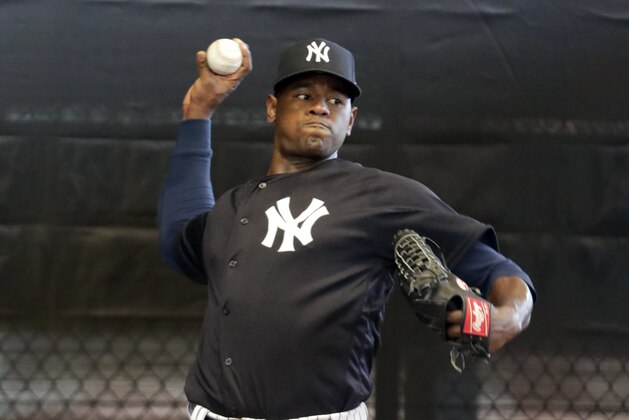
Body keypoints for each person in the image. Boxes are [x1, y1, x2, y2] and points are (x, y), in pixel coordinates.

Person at [158, 38, 535, 420]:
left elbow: (496, 270)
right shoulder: (234, 205)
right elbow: (179, 238)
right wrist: (198, 111)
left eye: (336, 101)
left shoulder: (382, 194)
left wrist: (509, 317)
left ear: (350, 120)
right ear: (272, 108)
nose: (320, 106)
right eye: (303, 95)